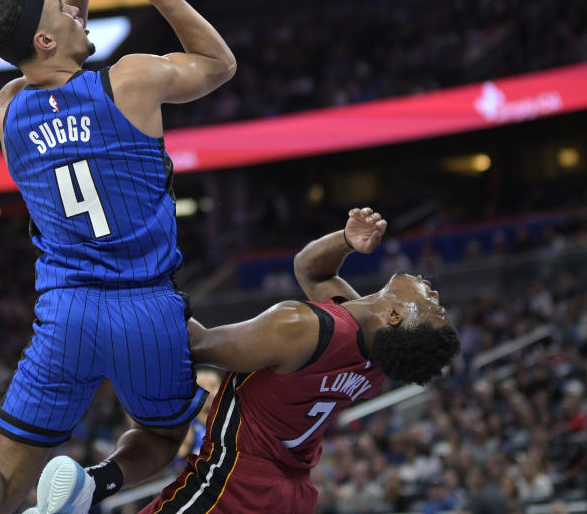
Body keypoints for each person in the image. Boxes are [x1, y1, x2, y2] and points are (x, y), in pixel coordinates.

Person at [0, 0, 236, 514]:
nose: (74, 11)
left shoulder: (6, 109)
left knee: (3, 473)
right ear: (44, 40)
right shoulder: (131, 80)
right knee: (161, 434)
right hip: (146, 306)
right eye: (62, 14)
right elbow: (220, 65)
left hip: (66, 309)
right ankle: (92, 484)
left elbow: (51, 55)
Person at [138, 207, 462, 514]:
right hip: (291, 495)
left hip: (234, 484)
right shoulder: (376, 362)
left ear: (394, 316)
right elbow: (310, 270)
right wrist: (345, 241)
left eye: (434, 309)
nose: (435, 295)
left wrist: (142, 275)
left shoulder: (302, 328)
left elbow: (197, 343)